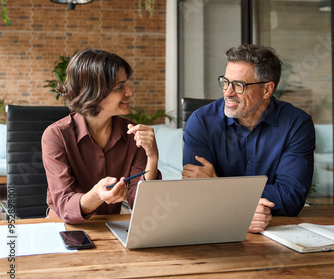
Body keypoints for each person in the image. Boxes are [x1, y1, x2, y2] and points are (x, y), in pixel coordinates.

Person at [182, 44, 315, 233]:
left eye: (238, 85)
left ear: (267, 90)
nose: (228, 92)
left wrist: (217, 185)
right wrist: (240, 210)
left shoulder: (297, 124)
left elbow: (290, 197)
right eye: (226, 82)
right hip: (213, 231)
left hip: (275, 232)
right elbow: (194, 194)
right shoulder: (201, 122)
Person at [42, 48, 160, 224]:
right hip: (62, 228)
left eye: (126, 84)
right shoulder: (56, 136)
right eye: (120, 87)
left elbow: (141, 204)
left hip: (109, 227)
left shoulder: (133, 133)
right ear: (93, 92)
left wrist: (152, 157)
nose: (129, 92)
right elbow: (64, 206)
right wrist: (98, 194)